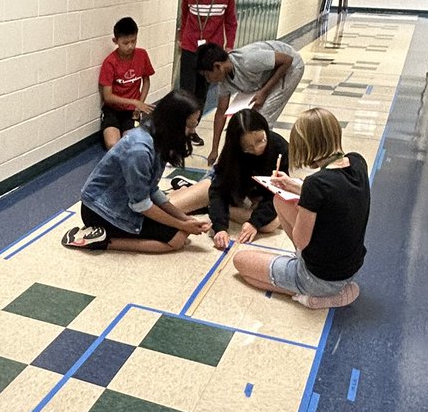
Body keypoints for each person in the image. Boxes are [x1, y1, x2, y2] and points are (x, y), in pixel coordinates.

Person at [233, 108, 369, 309]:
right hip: (352, 266)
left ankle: (317, 295)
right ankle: (327, 287)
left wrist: (303, 203)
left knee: (241, 262)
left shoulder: (316, 184)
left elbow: (301, 240)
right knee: (280, 201)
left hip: (319, 278)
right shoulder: (357, 161)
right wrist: (294, 185)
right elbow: (335, 189)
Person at [61, 90, 211, 254]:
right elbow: (141, 204)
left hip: (124, 204)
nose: (191, 131)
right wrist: (181, 224)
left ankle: (104, 237)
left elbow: (151, 189)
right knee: (177, 239)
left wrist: (184, 218)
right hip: (100, 211)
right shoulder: (139, 150)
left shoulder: (157, 135)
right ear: (174, 122)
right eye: (190, 126)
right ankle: (98, 242)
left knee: (181, 232)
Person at [169, 109, 290, 250]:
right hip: (229, 189)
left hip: (257, 195)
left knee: (270, 224)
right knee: (171, 207)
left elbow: (276, 195)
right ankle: (203, 198)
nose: (257, 149)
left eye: (260, 141)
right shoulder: (232, 152)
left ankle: (211, 206)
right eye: (249, 147)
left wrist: (254, 223)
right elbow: (219, 190)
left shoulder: (279, 147)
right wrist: (220, 227)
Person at [197, 39, 305, 165]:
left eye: (207, 75)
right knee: (251, 118)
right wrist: (214, 149)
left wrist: (264, 92)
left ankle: (267, 161)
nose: (208, 80)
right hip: (267, 75)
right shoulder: (224, 81)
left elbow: (287, 60)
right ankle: (254, 156)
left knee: (263, 119)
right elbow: (221, 112)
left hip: (291, 68)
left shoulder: (248, 60)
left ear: (217, 66)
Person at [178, 0, 238, 145]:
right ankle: (180, 132)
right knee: (186, 92)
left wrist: (229, 45)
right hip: (189, 47)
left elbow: (230, 21)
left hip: (211, 52)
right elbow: (185, 17)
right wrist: (181, 38)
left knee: (201, 93)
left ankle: (192, 129)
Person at [98, 16, 155, 150]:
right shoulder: (110, 62)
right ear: (115, 41)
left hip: (131, 112)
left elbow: (146, 81)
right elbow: (108, 96)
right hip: (113, 110)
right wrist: (134, 102)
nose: (130, 46)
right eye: (125, 43)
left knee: (131, 144)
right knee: (113, 144)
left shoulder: (142, 55)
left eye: (133, 41)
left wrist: (139, 104)